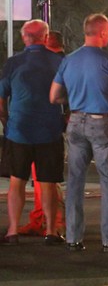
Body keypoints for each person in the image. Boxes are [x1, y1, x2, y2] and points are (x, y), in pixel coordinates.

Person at [50, 13, 108, 252]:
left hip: (75, 121)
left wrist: (73, 99)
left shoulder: (68, 60)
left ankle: (73, 237)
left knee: (75, 181)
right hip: (102, 123)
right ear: (103, 32)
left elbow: (53, 96)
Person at [0, 20, 65, 245]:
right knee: (47, 182)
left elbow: (1, 94)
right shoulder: (58, 62)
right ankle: (50, 230)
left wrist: (6, 119)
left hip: (19, 130)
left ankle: (13, 231)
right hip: (49, 130)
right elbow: (67, 93)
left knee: (17, 181)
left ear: (24, 37)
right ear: (45, 37)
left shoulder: (13, 63)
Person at [15, 28, 67, 237]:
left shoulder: (58, 64)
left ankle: (53, 222)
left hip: (50, 128)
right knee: (43, 178)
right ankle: (43, 219)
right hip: (47, 126)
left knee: (47, 178)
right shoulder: (60, 63)